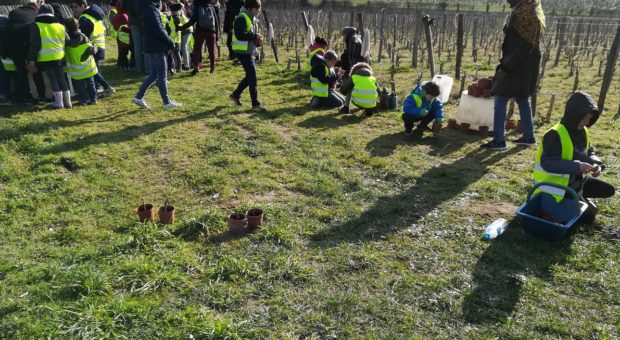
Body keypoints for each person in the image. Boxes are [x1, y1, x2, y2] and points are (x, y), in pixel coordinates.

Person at [534, 92, 615, 222]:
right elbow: (548, 163)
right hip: (555, 188)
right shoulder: (554, 134)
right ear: (574, 115)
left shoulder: (582, 130)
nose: (587, 122)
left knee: (609, 190)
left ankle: (579, 196)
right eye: (585, 118)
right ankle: (575, 200)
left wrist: (597, 164)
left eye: (589, 118)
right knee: (588, 218)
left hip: (575, 181)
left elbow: (589, 151)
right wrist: (577, 166)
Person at [481, 0, 545, 150]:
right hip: (527, 62)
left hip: (518, 62)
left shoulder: (524, 15)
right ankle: (528, 137)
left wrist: (506, 68)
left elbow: (520, 46)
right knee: (522, 98)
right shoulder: (531, 10)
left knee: (500, 97)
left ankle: (499, 140)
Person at [132, 0, 181, 110]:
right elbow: (158, 29)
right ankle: (166, 102)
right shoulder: (150, 9)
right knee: (162, 74)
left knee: (154, 74)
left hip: (151, 45)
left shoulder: (145, 8)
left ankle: (138, 97)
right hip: (156, 46)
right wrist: (170, 42)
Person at [28, 4, 71, 109]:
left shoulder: (36, 25)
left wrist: (32, 60)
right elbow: (68, 40)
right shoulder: (60, 26)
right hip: (60, 56)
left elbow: (34, 44)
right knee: (62, 78)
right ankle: (68, 102)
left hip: (46, 58)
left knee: (53, 79)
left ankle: (58, 103)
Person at [70, 0, 115, 96]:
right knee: (95, 69)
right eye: (72, 8)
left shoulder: (84, 18)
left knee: (93, 70)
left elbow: (82, 36)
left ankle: (100, 88)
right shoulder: (94, 14)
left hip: (92, 47)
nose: (73, 10)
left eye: (75, 7)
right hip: (99, 45)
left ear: (82, 6)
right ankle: (103, 88)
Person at [7, 0, 47, 104]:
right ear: (36, 5)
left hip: (13, 46)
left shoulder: (13, 12)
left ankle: (23, 97)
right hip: (28, 45)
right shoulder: (36, 14)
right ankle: (41, 95)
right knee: (34, 70)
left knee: (20, 72)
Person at [229, 0, 265, 112]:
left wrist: (257, 43)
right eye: (256, 8)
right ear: (250, 8)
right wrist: (254, 36)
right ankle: (255, 104)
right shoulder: (241, 18)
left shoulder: (251, 18)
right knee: (253, 77)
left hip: (248, 51)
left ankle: (235, 95)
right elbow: (240, 35)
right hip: (242, 52)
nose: (258, 10)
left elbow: (249, 37)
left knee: (250, 76)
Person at [178, 0, 220, 75]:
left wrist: (181, 28)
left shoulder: (197, 7)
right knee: (211, 50)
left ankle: (196, 67)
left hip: (200, 31)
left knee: (197, 50)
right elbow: (216, 21)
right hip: (211, 31)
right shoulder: (211, 7)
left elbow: (192, 21)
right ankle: (212, 67)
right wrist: (217, 33)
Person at [65, 17, 98, 106]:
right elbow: (92, 50)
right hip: (88, 66)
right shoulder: (84, 37)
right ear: (78, 25)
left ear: (66, 28)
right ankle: (93, 99)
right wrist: (94, 46)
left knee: (80, 86)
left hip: (76, 69)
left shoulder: (67, 41)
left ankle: (83, 101)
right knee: (91, 83)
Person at [122, 0, 144, 73]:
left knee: (137, 46)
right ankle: (147, 67)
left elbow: (123, 6)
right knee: (144, 43)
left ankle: (139, 68)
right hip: (142, 19)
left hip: (133, 20)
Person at [169, 3, 191, 72]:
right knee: (181, 50)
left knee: (183, 48)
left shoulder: (176, 15)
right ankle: (183, 65)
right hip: (183, 32)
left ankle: (185, 65)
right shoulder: (179, 11)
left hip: (185, 31)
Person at [0, 15, 16, 106]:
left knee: (2, 77)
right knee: (8, 76)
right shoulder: (9, 30)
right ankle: (9, 96)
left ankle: (3, 97)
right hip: (8, 57)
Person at [113, 0, 132, 71]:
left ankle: (122, 65)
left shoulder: (116, 16)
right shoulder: (124, 16)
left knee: (122, 53)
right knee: (126, 52)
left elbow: (114, 26)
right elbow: (129, 25)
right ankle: (127, 66)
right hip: (126, 37)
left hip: (120, 37)